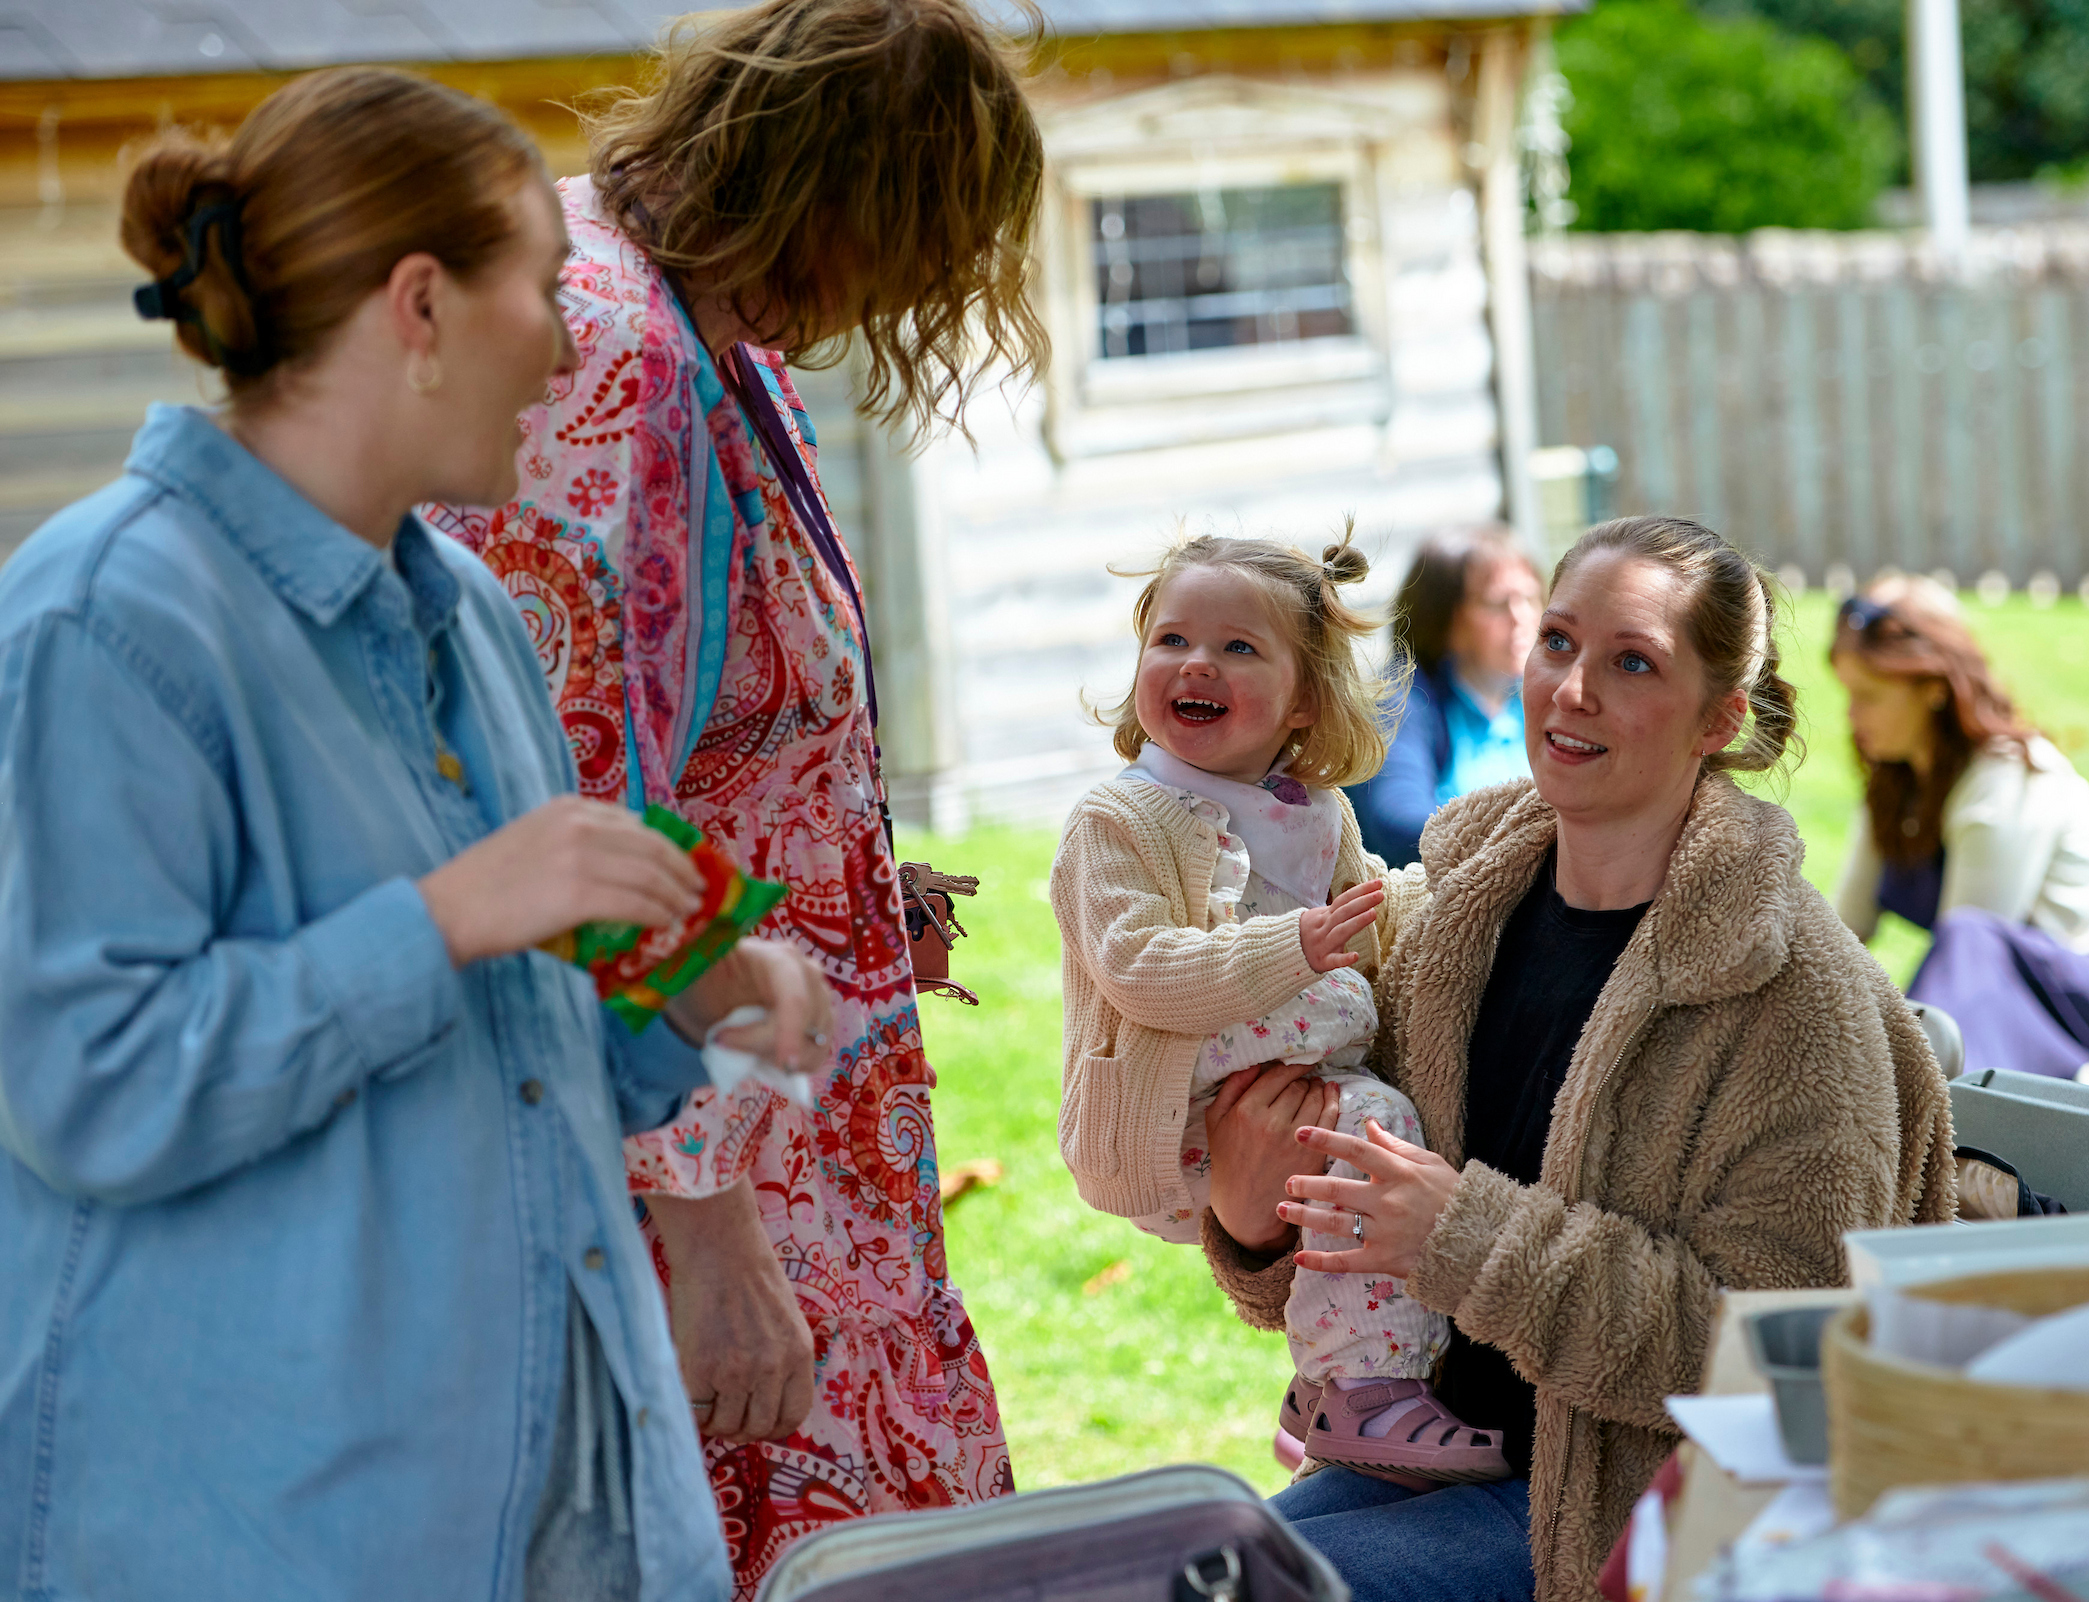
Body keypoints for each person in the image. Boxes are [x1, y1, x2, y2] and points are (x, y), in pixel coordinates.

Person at [0, 68, 836, 1602]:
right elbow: (91, 1085)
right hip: (260, 1530)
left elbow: (513, 1044)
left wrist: (695, 998)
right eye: (542, 286)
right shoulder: (105, 620)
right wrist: (443, 915)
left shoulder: (475, 617)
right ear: (422, 305)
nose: (576, 337)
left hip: (540, 1504)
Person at [422, 0, 1044, 1585]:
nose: (914, 289)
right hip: (704, 1177)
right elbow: (559, 808)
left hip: (779, 1124)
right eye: (923, 236)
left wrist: (842, 875)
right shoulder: (610, 352)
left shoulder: (686, 322)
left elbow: (701, 726)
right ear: (849, 196)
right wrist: (706, 1225)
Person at [1193, 517, 1958, 1602]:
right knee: (1164, 1571)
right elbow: (1355, 1260)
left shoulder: (1795, 998)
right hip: (1426, 1455)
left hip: (1640, 1512)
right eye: (1557, 642)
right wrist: (1255, 1216)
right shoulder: (1457, 915)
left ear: (1719, 719)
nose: (1574, 689)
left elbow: (1783, 1362)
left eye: (1632, 662)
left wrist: (1468, 1238)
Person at [1049, 532, 1511, 1488]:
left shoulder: (1316, 810)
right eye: (1170, 639)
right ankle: (1367, 1393)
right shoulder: (1118, 819)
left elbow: (1375, 907)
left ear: (1304, 699)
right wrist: (1297, 951)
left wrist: (1472, 891)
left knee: (1373, 1151)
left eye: (1238, 647)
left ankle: (1329, 1379)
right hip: (1164, 1107)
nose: (1196, 664)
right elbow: (1137, 967)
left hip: (1266, 1083)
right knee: (1376, 1117)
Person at [1829, 576, 2089, 1090]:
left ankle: (2066, 1083)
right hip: (2022, 995)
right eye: (1847, 695)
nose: (1850, 715)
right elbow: (1843, 938)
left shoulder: (2005, 779)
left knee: (1969, 936)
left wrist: (1878, 1069)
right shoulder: (1893, 778)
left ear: (1932, 690)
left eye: (1869, 696)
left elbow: (1968, 972)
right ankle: (2067, 1077)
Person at [1347, 526, 1544, 866]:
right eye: (1497, 603)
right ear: (1443, 620)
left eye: (1529, 598)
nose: (1520, 617)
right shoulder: (1399, 701)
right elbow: (1397, 822)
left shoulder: (1550, 692)